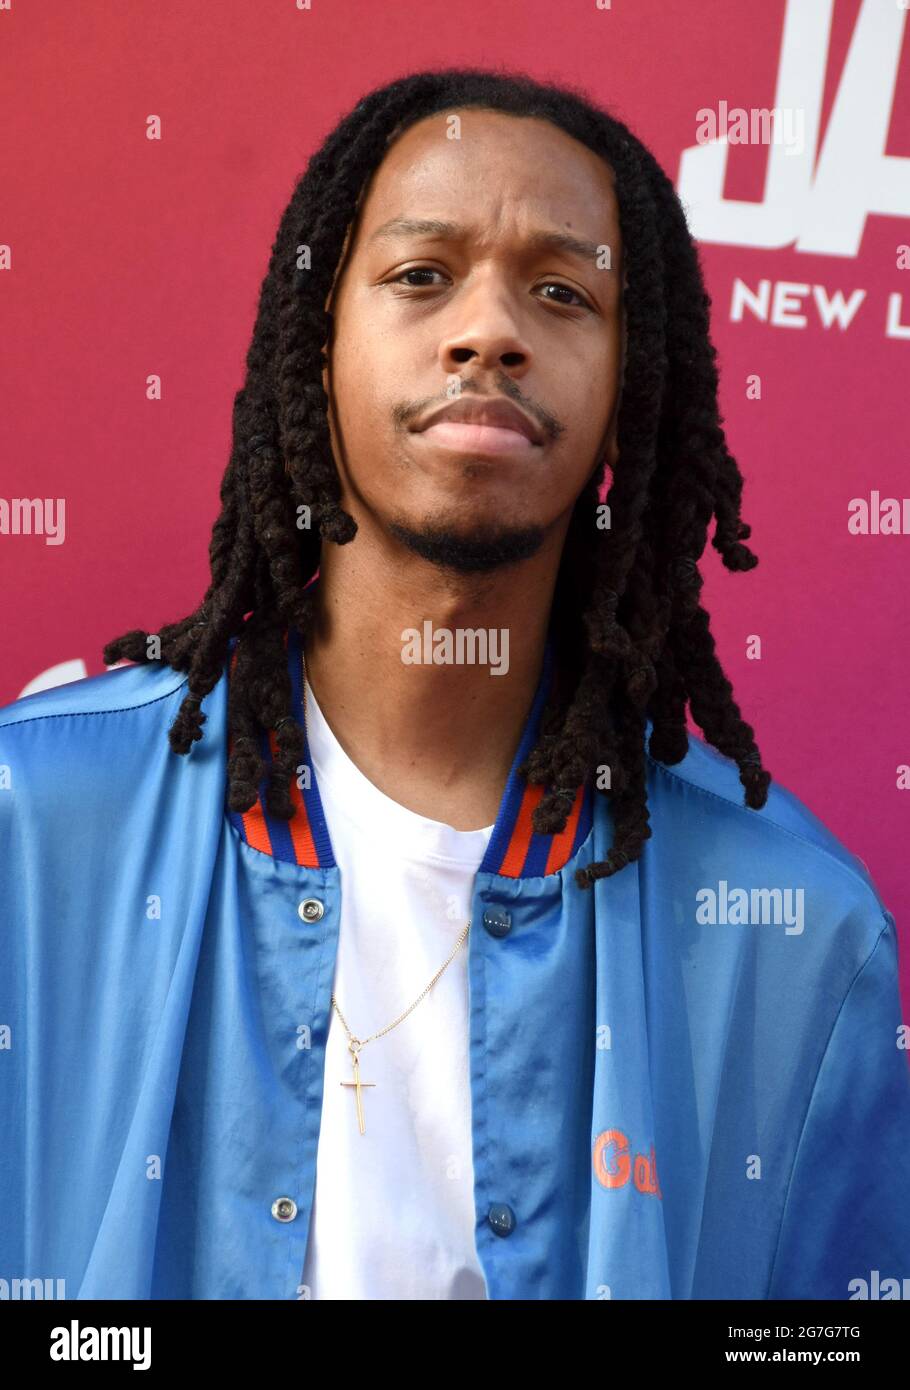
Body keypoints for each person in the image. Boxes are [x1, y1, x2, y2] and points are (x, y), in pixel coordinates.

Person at [1, 68, 908, 1302]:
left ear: (629, 396)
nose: (489, 331)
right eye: (422, 277)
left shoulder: (788, 925)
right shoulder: (33, 819)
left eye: (561, 291)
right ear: (315, 344)